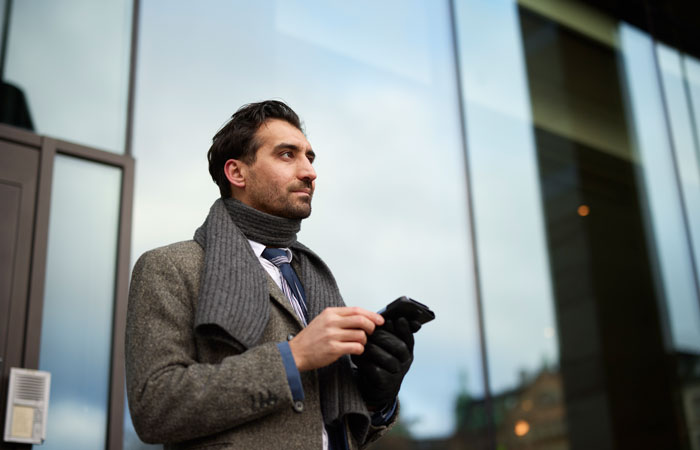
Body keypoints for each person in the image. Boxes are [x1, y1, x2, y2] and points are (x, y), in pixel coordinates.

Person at [125, 100, 420, 450]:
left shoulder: (314, 277)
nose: (309, 172)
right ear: (237, 173)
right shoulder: (170, 267)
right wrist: (292, 357)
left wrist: (377, 397)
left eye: (310, 157)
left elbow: (329, 429)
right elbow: (154, 407)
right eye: (287, 155)